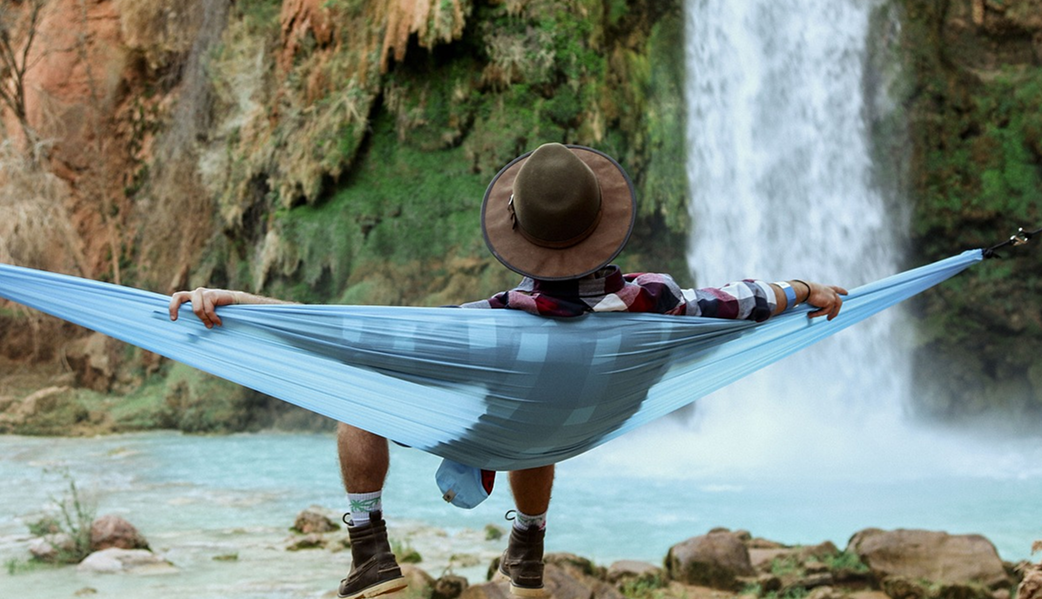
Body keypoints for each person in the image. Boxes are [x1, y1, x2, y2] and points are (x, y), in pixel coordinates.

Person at [169, 143, 847, 599]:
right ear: (604, 226)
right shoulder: (662, 300)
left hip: (501, 424)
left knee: (359, 395)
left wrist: (243, 307)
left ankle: (371, 547)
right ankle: (527, 547)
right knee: (538, 422)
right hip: (572, 429)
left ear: (520, 238)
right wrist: (801, 288)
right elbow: (742, 300)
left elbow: (346, 338)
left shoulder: (487, 324)